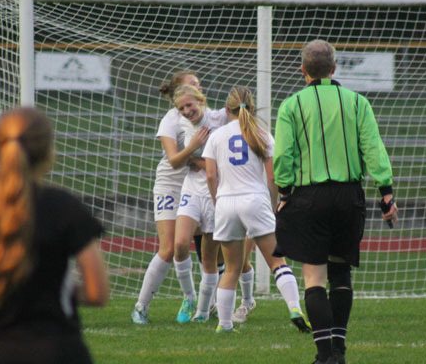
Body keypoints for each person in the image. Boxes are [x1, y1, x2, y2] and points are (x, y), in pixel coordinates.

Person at [0, 107, 109, 364]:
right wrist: (48, 290)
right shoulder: (64, 207)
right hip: (59, 350)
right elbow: (98, 292)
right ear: (49, 153)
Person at [273, 39, 398, 364]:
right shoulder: (357, 102)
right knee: (341, 275)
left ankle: (324, 354)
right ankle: (339, 353)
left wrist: (284, 193)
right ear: (334, 68)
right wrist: (386, 193)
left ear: (303, 70)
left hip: (309, 198)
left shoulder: (291, 106)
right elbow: (374, 149)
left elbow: (283, 157)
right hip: (348, 198)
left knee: (314, 278)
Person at [203, 86, 311, 333]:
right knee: (277, 262)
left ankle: (224, 324)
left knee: (231, 268)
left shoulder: (216, 136)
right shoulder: (261, 133)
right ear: (251, 107)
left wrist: (216, 199)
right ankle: (295, 308)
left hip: (226, 202)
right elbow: (273, 177)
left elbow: (210, 174)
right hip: (255, 200)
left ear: (227, 108)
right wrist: (274, 204)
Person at [131, 70, 209, 325]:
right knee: (170, 248)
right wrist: (193, 152)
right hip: (170, 184)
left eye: (198, 83)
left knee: (208, 246)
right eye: (192, 83)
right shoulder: (171, 119)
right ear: (179, 93)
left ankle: (213, 304)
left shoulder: (209, 114)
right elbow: (175, 161)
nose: (198, 86)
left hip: (196, 184)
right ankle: (142, 306)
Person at [172, 84, 227, 323]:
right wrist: (193, 149)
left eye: (189, 105)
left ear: (200, 101)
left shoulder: (220, 117)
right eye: (181, 107)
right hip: (192, 188)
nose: (186, 111)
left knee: (209, 259)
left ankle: (203, 312)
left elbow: (221, 161)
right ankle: (189, 297)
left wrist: (202, 162)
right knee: (180, 243)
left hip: (216, 191)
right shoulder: (181, 125)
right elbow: (180, 161)